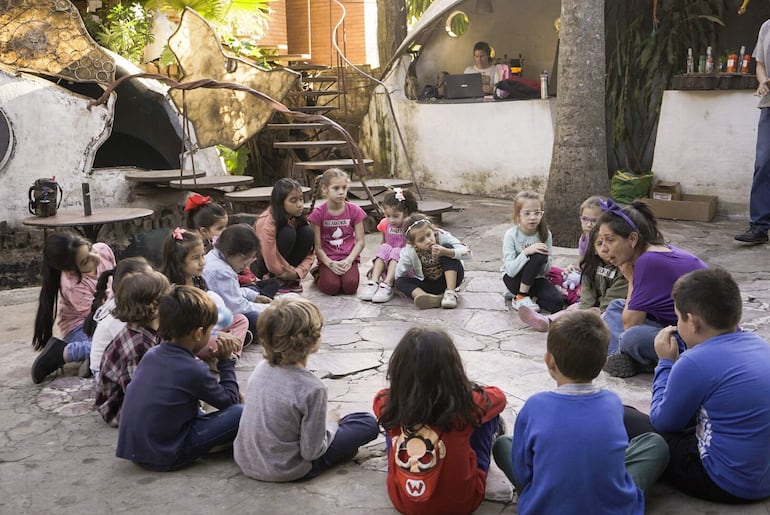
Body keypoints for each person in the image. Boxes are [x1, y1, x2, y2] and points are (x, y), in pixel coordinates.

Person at [492, 310, 669, 515]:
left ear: (549, 362)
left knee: (502, 444)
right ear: (604, 363)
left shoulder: (534, 406)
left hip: (545, 509)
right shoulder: (612, 403)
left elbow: (523, 473)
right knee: (655, 444)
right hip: (613, 509)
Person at [648, 268, 770, 503]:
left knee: (630, 420)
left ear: (693, 322)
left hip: (725, 482)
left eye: (678, 317)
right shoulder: (760, 344)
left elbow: (662, 421)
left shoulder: (694, 362)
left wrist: (665, 362)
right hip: (763, 479)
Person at [234, 297, 378, 481]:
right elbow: (312, 451)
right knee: (366, 423)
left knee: (342, 422)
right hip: (287, 469)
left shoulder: (261, 367)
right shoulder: (313, 388)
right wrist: (331, 422)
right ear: (313, 341)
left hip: (247, 461)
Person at [373, 327, 505, 514]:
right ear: (453, 370)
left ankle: (401, 455)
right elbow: (499, 397)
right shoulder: (466, 405)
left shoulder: (386, 402)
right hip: (463, 503)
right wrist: (468, 390)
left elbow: (382, 400)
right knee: (487, 416)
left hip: (402, 501)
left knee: (391, 421)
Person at [116, 285, 243, 471]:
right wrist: (226, 361)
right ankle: (210, 445)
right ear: (198, 333)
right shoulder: (194, 369)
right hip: (166, 453)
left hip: (136, 449)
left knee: (196, 405)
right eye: (209, 332)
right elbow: (231, 402)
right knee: (240, 412)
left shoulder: (152, 353)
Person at [599, 199, 707, 378]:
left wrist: (631, 279)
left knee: (632, 337)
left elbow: (630, 323)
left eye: (610, 240)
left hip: (696, 340)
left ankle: (625, 357)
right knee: (616, 306)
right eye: (601, 241)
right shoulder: (660, 251)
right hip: (679, 325)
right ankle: (628, 357)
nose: (604, 248)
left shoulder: (648, 262)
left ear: (632, 239)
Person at [31, 233, 116, 384]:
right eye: (85, 261)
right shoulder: (73, 285)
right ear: (70, 271)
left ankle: (92, 359)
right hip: (82, 326)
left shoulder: (103, 250)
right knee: (118, 344)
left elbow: (117, 283)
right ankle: (63, 352)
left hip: (110, 315)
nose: (95, 257)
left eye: (90, 248)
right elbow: (99, 319)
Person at [518, 223, 629, 332]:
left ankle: (587, 325)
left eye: (610, 242)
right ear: (594, 249)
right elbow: (587, 291)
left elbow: (614, 297)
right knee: (573, 309)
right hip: (591, 307)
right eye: (600, 244)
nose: (605, 248)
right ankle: (547, 321)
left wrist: (599, 310)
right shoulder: (591, 266)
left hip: (609, 308)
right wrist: (585, 309)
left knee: (606, 318)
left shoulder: (623, 268)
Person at [94, 271, 170, 427]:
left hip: (138, 392)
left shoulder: (153, 328)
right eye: (168, 298)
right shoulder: (138, 346)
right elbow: (138, 394)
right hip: (121, 408)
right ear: (154, 307)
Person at [160, 228, 249, 361]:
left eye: (202, 255)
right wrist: (216, 334)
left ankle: (231, 353)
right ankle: (224, 351)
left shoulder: (198, 280)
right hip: (191, 337)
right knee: (211, 342)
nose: (202, 262)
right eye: (195, 258)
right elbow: (182, 328)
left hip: (207, 329)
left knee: (241, 319)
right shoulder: (173, 290)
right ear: (178, 261)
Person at [87, 257, 154, 380]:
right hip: (106, 369)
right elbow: (131, 347)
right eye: (148, 279)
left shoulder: (133, 304)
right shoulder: (119, 314)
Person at [735, 17, 770, 244]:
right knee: (763, 163)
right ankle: (759, 226)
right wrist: (763, 81)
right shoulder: (766, 26)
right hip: (769, 106)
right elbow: (760, 64)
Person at [501, 190, 564, 313]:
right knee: (537, 254)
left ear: (542, 214)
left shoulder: (545, 234)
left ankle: (528, 297)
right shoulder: (511, 235)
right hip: (513, 279)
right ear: (518, 214)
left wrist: (545, 259)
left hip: (535, 279)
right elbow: (510, 271)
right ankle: (520, 296)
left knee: (557, 303)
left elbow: (544, 272)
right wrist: (526, 252)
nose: (533, 217)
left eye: (537, 213)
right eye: (527, 213)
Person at [202, 224, 271, 336]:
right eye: (244, 259)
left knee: (252, 289)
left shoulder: (217, 256)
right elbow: (237, 307)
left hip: (225, 303)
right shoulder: (222, 271)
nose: (246, 264)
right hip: (216, 315)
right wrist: (269, 308)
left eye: (251, 259)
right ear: (230, 253)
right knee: (254, 318)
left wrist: (254, 296)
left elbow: (233, 292)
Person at [307, 168, 367, 295]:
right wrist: (329, 263)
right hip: (328, 259)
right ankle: (318, 274)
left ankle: (341, 273)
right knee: (331, 287)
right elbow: (317, 247)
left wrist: (350, 260)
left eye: (344, 188)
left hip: (348, 257)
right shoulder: (318, 214)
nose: (341, 192)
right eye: (336, 188)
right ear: (325, 189)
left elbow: (360, 241)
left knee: (350, 287)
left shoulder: (354, 211)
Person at [394, 213, 471, 309]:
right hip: (429, 284)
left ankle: (450, 293)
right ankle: (425, 297)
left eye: (428, 235)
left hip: (451, 279)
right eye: (421, 240)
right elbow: (399, 273)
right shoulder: (409, 251)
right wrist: (399, 286)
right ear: (413, 244)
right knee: (399, 282)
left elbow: (468, 253)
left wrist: (447, 252)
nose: (428, 241)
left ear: (432, 229)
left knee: (447, 247)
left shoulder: (442, 236)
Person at [253, 177, 315, 294]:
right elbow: (269, 257)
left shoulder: (298, 219)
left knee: (307, 232)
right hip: (265, 267)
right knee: (288, 233)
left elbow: (311, 253)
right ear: (280, 202)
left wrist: (297, 272)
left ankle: (289, 280)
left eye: (301, 199)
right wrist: (283, 272)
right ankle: (275, 279)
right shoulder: (267, 222)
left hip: (289, 271)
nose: (299, 204)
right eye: (293, 200)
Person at [359, 187, 419, 304]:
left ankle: (388, 285)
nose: (391, 220)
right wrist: (377, 265)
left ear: (406, 212)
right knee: (385, 247)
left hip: (405, 269)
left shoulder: (410, 227)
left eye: (396, 216)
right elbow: (383, 243)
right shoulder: (385, 224)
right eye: (387, 215)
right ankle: (374, 281)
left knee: (397, 250)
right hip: (388, 267)